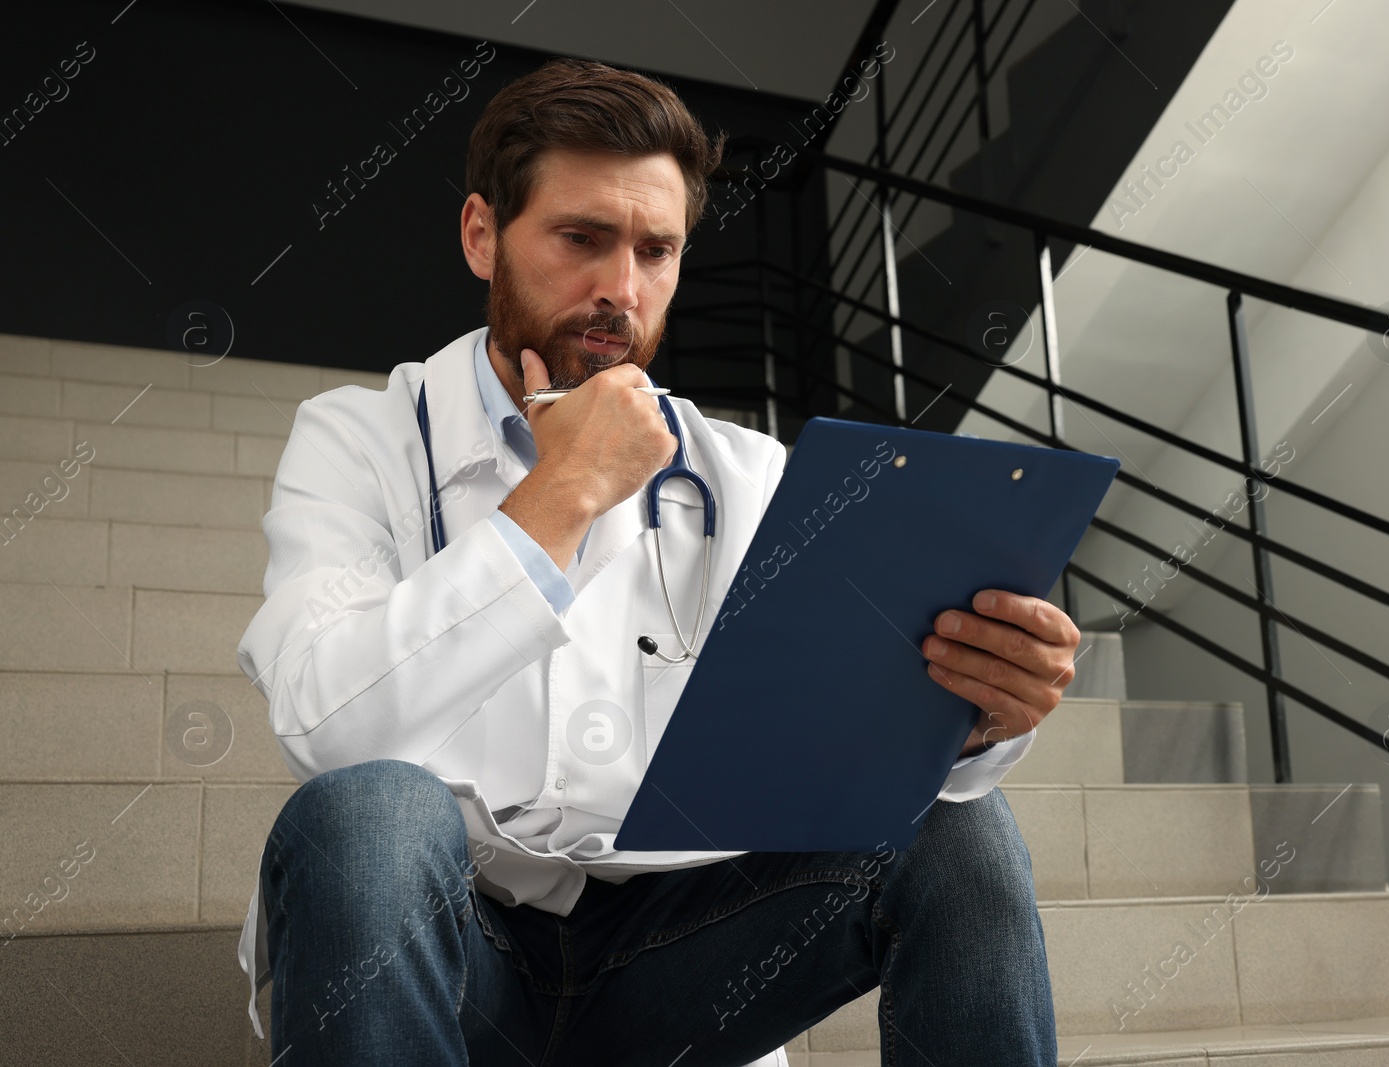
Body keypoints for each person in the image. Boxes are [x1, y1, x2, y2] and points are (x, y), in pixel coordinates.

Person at [235, 56, 1080, 1066]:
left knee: (960, 832)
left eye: (656, 249)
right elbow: (324, 730)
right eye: (580, 238)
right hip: (445, 953)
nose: (618, 290)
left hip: (679, 964)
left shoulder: (748, 473)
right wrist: (559, 499)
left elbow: (846, 752)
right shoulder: (357, 439)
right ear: (481, 235)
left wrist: (975, 711)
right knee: (370, 811)